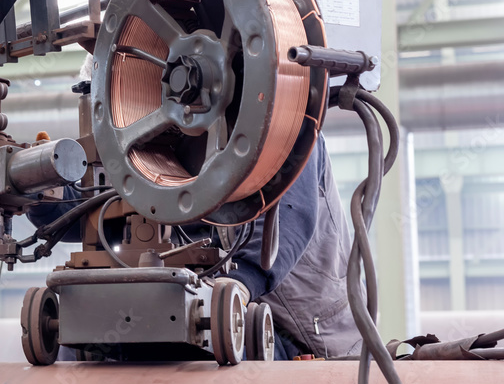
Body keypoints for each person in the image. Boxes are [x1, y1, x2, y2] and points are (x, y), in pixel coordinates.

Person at [27, 135, 363, 360]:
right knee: (83, 344)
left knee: (223, 347)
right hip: (206, 315)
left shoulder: (286, 124)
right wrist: (38, 187)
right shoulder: (144, 142)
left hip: (299, 337)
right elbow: (89, 210)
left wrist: (241, 283)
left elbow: (285, 225)